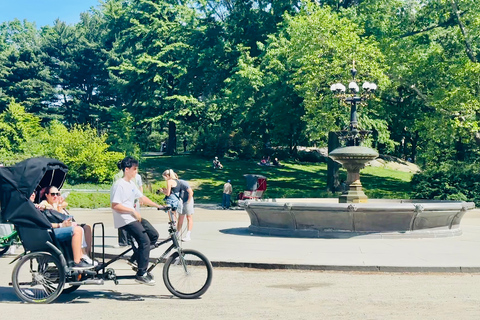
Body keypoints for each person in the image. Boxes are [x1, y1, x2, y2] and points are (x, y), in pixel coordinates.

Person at [110, 156, 164, 285]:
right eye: (134, 169)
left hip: (132, 217)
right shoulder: (119, 184)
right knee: (144, 241)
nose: (136, 172)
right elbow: (115, 205)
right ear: (126, 169)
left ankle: (135, 259)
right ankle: (141, 273)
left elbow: (142, 198)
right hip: (125, 219)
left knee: (153, 235)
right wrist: (132, 211)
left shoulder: (131, 184)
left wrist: (160, 206)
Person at [30, 192, 93, 270]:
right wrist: (61, 225)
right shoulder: (31, 207)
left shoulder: (33, 206)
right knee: (77, 230)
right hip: (46, 233)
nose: (33, 194)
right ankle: (77, 262)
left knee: (83, 228)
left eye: (34, 192)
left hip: (47, 231)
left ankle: (84, 256)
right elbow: (44, 223)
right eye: (53, 194)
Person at [113, 160, 144, 248]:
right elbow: (140, 187)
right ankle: (132, 240)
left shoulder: (117, 176)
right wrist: (140, 198)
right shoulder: (137, 176)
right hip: (134, 200)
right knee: (134, 220)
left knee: (123, 223)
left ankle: (123, 241)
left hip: (124, 202)